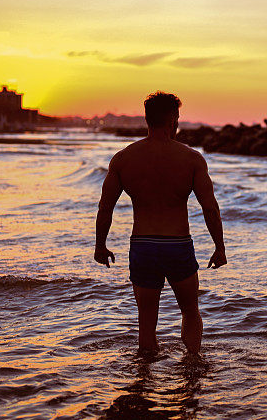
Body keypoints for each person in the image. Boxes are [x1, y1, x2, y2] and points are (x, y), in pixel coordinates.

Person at [94, 92, 227, 354]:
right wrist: (219, 247)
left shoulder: (124, 158)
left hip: (143, 246)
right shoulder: (191, 159)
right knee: (190, 311)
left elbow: (105, 207)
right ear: (173, 118)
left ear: (147, 119)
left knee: (146, 323)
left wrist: (100, 245)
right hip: (178, 245)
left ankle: (143, 380)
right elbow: (209, 208)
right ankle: (191, 368)